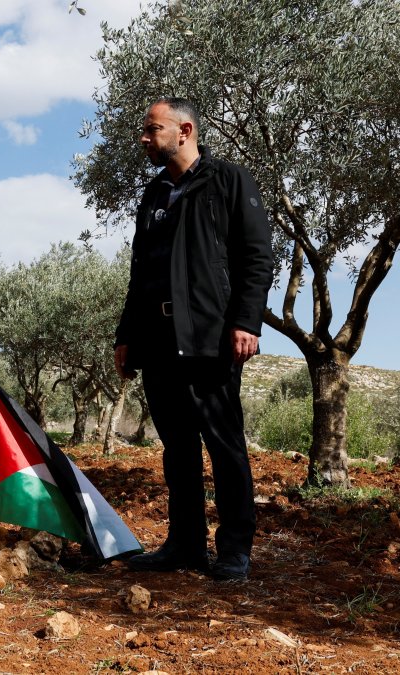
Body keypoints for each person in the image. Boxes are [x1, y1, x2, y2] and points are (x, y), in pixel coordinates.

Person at [114, 98, 274, 581]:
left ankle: (233, 550)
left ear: (184, 130)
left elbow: (257, 256)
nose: (144, 138)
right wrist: (126, 335)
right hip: (159, 340)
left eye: (151, 129)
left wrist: (246, 322)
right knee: (177, 448)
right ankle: (185, 546)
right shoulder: (154, 193)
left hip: (210, 339)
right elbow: (139, 271)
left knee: (224, 446)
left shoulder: (228, 180)